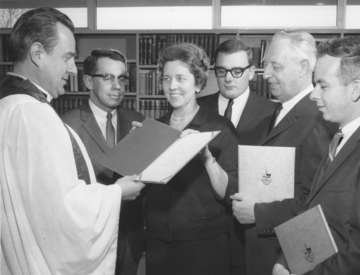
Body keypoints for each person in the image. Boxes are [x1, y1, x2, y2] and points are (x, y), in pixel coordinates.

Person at [0, 7, 144, 275]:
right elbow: (62, 211)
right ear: (38, 54)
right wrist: (118, 192)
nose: (72, 69)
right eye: (67, 58)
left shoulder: (9, 106)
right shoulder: (33, 115)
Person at [274, 36, 360, 275]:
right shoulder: (339, 137)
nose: (313, 95)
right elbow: (313, 214)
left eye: (323, 85)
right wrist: (287, 260)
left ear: (355, 90)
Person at [231, 31, 334, 275]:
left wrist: (257, 212)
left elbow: (317, 202)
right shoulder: (279, 112)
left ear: (304, 67)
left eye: (275, 66)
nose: (265, 74)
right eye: (266, 65)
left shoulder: (318, 120)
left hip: (286, 259)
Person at [144, 43, 238, 275]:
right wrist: (137, 151)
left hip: (204, 248)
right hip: (158, 245)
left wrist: (207, 158)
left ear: (197, 83)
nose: (172, 86)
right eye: (166, 79)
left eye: (180, 78)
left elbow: (230, 193)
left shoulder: (220, 127)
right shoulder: (155, 128)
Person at [62, 49, 145, 275]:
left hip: (129, 237)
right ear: (88, 81)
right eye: (107, 77)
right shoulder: (66, 125)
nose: (117, 85)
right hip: (87, 241)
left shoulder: (138, 121)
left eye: (122, 78)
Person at [199, 38, 277, 275]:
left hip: (250, 230)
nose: (229, 78)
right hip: (203, 229)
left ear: (252, 72)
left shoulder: (274, 114)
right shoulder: (195, 108)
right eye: (221, 71)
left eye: (237, 71)